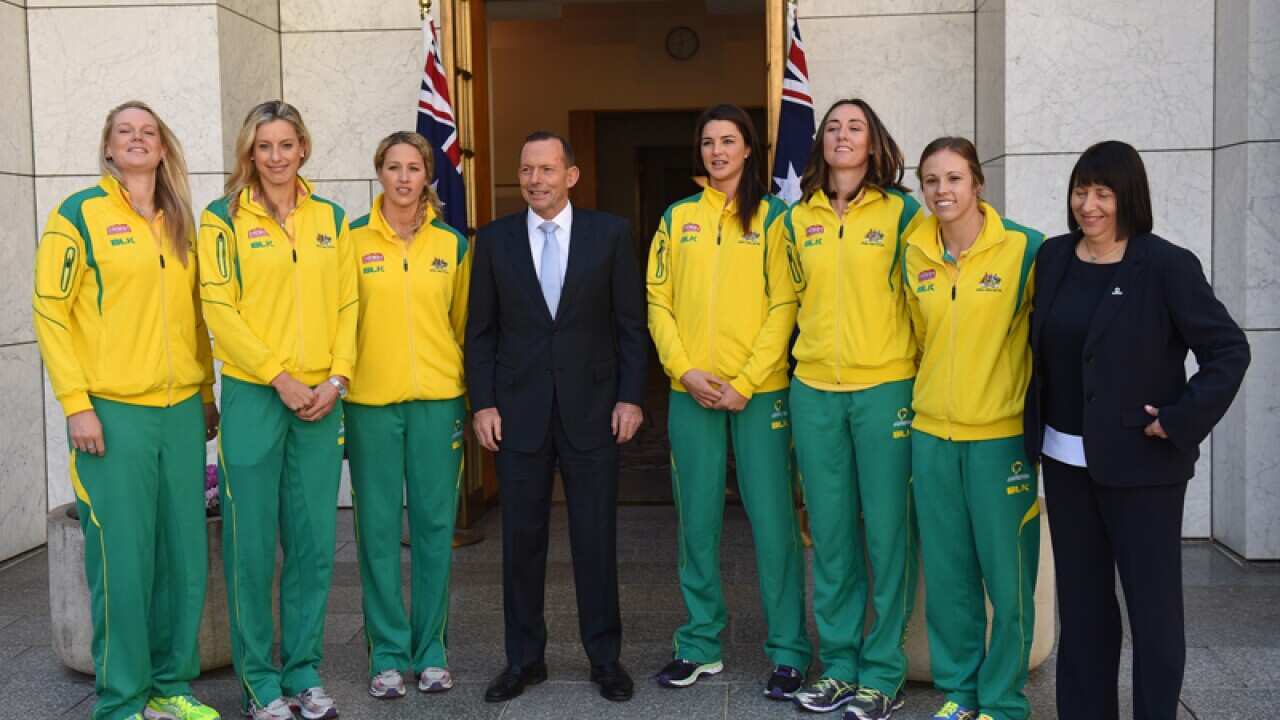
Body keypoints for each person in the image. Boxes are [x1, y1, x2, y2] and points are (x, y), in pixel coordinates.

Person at [1023, 141, 1249, 720]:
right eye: (1080, 190)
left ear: (1129, 198)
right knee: (1085, 608)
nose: (1088, 205)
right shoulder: (1053, 258)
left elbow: (1227, 350)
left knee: (1153, 614)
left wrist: (1177, 420)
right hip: (1067, 462)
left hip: (1144, 467)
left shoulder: (1166, 265)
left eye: (1103, 193)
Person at [32, 100, 220, 720]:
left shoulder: (178, 222)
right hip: (112, 416)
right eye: (124, 132)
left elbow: (194, 320)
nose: (137, 140)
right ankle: (120, 701)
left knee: (184, 560)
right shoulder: (79, 216)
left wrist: (204, 396)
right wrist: (76, 405)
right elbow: (51, 313)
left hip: (179, 414)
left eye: (149, 132)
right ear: (109, 149)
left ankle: (171, 687)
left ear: (162, 148)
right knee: (124, 563)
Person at [465, 131, 647, 703]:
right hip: (517, 415)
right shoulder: (493, 241)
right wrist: (484, 403)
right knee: (521, 542)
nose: (535, 179)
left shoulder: (610, 234)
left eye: (547, 169)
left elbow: (630, 327)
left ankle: (605, 659)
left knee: (595, 538)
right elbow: (480, 333)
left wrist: (631, 397)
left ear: (571, 175)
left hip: (593, 412)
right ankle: (523, 660)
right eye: (526, 170)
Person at [197, 100, 356, 720]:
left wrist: (337, 377)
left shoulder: (331, 219)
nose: (276, 156)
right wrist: (278, 377)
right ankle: (260, 681)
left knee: (314, 542)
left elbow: (349, 304)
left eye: (286, 144)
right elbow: (220, 308)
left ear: (303, 148)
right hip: (254, 396)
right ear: (249, 153)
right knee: (252, 546)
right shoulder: (221, 220)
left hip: (321, 398)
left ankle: (305, 673)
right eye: (264, 146)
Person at [645, 104, 809, 697]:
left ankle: (789, 651)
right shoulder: (677, 216)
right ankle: (699, 644)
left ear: (748, 150)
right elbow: (657, 299)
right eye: (709, 141)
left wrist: (746, 379)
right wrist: (685, 370)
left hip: (758, 394)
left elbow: (785, 304)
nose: (718, 151)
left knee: (772, 524)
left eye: (729, 141)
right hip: (691, 392)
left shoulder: (774, 218)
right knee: (697, 523)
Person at [782, 98, 924, 720]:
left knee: (889, 534)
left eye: (855, 127)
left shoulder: (904, 213)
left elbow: (925, 303)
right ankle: (839, 664)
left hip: (886, 390)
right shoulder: (797, 217)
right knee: (832, 535)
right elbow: (783, 305)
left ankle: (883, 670)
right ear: (822, 143)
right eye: (833, 127)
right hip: (813, 391)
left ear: (874, 143)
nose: (842, 136)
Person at [902, 137, 1042, 720]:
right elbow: (914, 340)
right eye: (931, 180)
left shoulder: (1025, 249)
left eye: (954, 178)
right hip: (932, 436)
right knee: (951, 577)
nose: (942, 191)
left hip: (1000, 438)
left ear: (978, 183)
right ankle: (959, 692)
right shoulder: (913, 254)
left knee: (1006, 581)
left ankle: (1003, 701)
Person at [345, 131, 471, 700]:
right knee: (375, 531)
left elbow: (466, 326)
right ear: (379, 174)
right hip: (369, 403)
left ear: (427, 177)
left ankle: (432, 651)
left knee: (434, 528)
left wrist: (465, 391)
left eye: (413, 168)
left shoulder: (452, 245)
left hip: (437, 401)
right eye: (392, 167)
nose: (403, 178)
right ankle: (388, 654)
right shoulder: (349, 242)